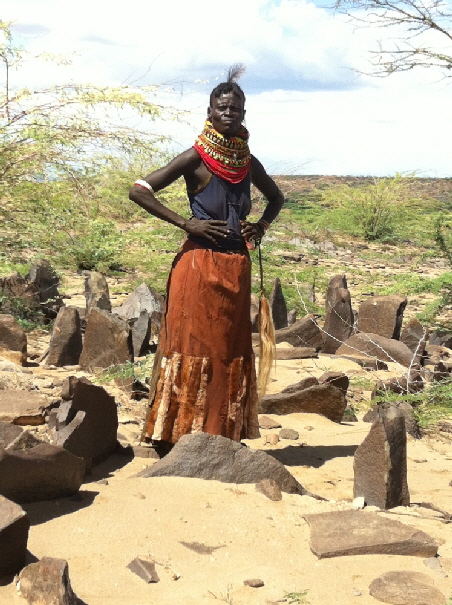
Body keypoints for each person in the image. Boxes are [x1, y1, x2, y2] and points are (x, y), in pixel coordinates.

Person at [129, 66, 284, 448]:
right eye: (222, 107)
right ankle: (176, 433)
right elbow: (140, 190)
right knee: (193, 345)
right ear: (210, 111)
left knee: (230, 348)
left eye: (236, 109)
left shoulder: (248, 163)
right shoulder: (194, 157)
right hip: (198, 264)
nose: (229, 114)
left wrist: (260, 226)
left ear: (243, 114)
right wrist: (186, 223)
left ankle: (222, 432)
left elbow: (277, 197)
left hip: (236, 265)